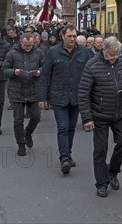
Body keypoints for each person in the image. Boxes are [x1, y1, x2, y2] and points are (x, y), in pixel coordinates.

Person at [78, 37, 122, 197]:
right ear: (103, 50)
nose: (112, 58)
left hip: (121, 112)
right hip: (100, 114)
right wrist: (87, 118)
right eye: (110, 55)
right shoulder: (92, 65)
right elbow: (83, 93)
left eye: (115, 55)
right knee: (100, 150)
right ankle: (101, 183)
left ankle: (112, 172)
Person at [38, 25, 93, 174]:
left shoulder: (84, 52)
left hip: (77, 96)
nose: (72, 39)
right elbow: (45, 76)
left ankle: (67, 153)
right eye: (69, 36)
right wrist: (42, 97)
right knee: (62, 127)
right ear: (63, 36)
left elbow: (94, 70)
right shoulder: (53, 52)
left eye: (74, 36)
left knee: (71, 127)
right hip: (58, 96)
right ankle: (64, 158)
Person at [2, 33, 43, 156]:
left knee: (36, 116)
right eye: (26, 45)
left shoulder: (39, 52)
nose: (28, 47)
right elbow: (4, 70)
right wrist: (15, 72)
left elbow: (45, 66)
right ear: (20, 42)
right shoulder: (11, 54)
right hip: (17, 91)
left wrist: (39, 72)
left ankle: (28, 133)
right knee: (18, 120)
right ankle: (21, 144)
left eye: (30, 45)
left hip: (34, 89)